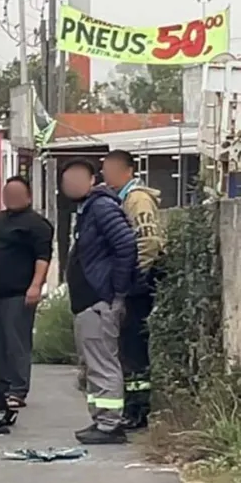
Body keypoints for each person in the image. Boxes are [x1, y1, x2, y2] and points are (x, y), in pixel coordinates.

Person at [61, 157, 138, 444]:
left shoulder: (102, 207)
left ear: (94, 179)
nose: (72, 184)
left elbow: (126, 245)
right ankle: (101, 420)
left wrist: (114, 290)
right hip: (88, 302)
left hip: (99, 301)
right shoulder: (87, 209)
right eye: (67, 179)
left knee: (103, 362)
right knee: (94, 363)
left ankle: (109, 425)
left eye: (79, 177)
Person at [0, 176, 53, 408]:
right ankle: (1, 384)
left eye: (17, 193)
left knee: (16, 342)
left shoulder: (37, 224)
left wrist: (36, 285)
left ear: (28, 196)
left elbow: (43, 258)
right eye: (8, 194)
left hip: (19, 293)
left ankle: (18, 389)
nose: (12, 198)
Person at [100, 149, 165, 429]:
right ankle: (134, 405)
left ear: (125, 171)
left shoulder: (136, 200)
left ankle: (138, 409)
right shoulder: (122, 198)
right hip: (134, 281)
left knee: (133, 346)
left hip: (140, 283)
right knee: (127, 346)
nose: (104, 175)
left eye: (108, 169)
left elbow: (148, 242)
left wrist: (133, 276)